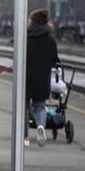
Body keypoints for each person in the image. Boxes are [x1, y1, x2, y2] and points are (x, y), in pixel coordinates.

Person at [25, 8, 60, 147]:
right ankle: (40, 126)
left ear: (32, 21)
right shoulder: (50, 38)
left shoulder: (26, 36)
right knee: (39, 106)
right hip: (42, 78)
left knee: (25, 108)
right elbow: (54, 60)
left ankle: (25, 137)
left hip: (26, 78)